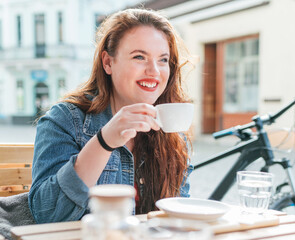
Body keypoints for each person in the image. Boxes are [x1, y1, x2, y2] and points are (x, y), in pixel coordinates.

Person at [28, 8, 194, 224]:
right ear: (108, 62)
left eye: (163, 60)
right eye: (139, 57)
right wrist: (104, 141)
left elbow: (178, 217)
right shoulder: (66, 119)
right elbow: (46, 214)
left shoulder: (172, 133)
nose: (154, 71)